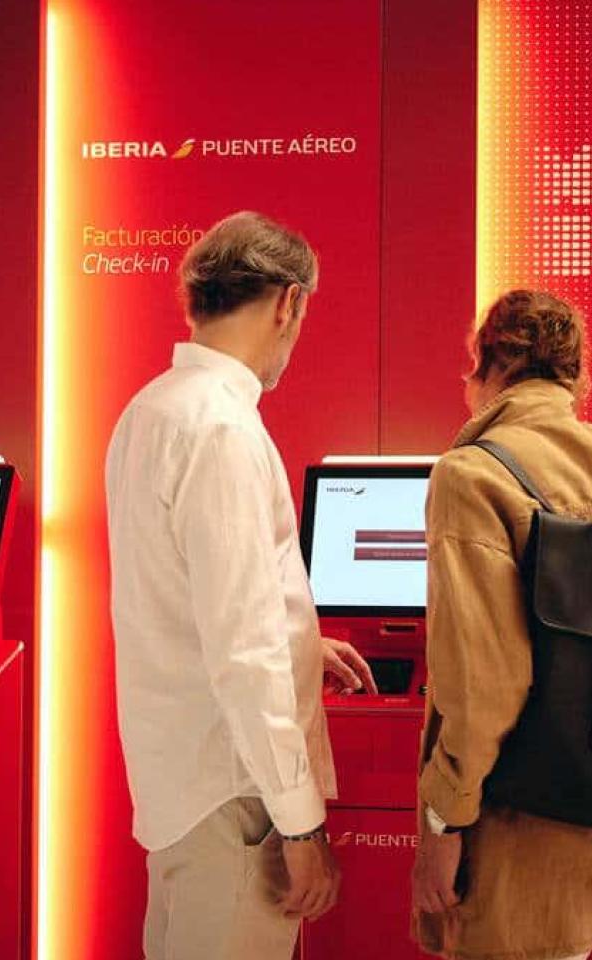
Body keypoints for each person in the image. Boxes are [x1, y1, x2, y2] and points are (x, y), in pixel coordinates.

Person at [106, 211, 376, 960]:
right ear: (288, 302)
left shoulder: (150, 411)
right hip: (235, 794)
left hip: (181, 783)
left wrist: (301, 642)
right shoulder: (221, 429)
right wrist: (301, 826)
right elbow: (243, 649)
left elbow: (188, 602)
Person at [410, 290, 592, 960]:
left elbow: (483, 688)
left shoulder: (469, 476)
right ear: (575, 371)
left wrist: (443, 822)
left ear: (489, 364)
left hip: (511, 822)